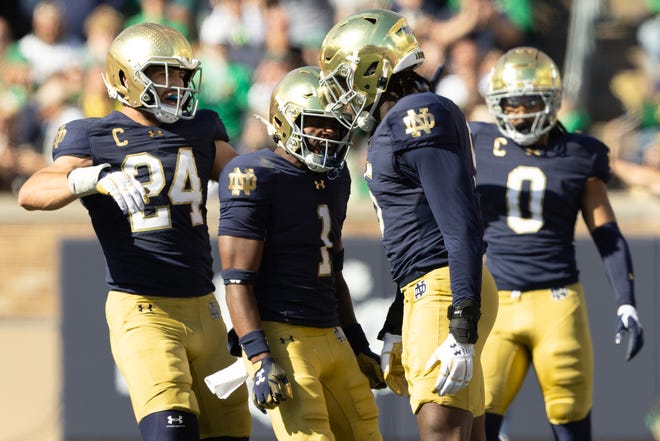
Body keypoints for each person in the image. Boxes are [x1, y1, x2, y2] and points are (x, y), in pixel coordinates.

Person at [17, 23, 251, 441]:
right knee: (171, 432)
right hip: (144, 309)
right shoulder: (92, 134)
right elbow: (32, 192)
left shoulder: (202, 127)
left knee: (231, 435)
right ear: (126, 77)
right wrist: (88, 179)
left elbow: (246, 179)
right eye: (164, 72)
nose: (177, 84)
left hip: (207, 307)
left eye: (181, 74)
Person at [318, 9, 498, 441]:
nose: (342, 94)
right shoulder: (405, 116)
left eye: (345, 78)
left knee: (441, 433)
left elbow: (459, 226)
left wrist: (462, 322)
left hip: (443, 289)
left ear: (372, 69)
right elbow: (423, 228)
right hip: (435, 287)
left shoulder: (415, 114)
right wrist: (399, 319)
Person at [470, 46, 645, 441]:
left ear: (551, 102)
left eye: (528, 102)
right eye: (509, 104)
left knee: (569, 421)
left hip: (557, 303)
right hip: (495, 301)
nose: (518, 113)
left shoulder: (581, 154)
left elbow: (607, 233)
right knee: (479, 422)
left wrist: (626, 299)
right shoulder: (477, 141)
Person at [217, 65, 385, 440]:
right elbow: (238, 280)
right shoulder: (255, 174)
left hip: (332, 333)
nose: (329, 134)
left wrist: (357, 341)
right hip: (284, 335)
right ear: (285, 120)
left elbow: (334, 268)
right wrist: (259, 357)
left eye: (337, 124)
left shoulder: (337, 177)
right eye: (315, 122)